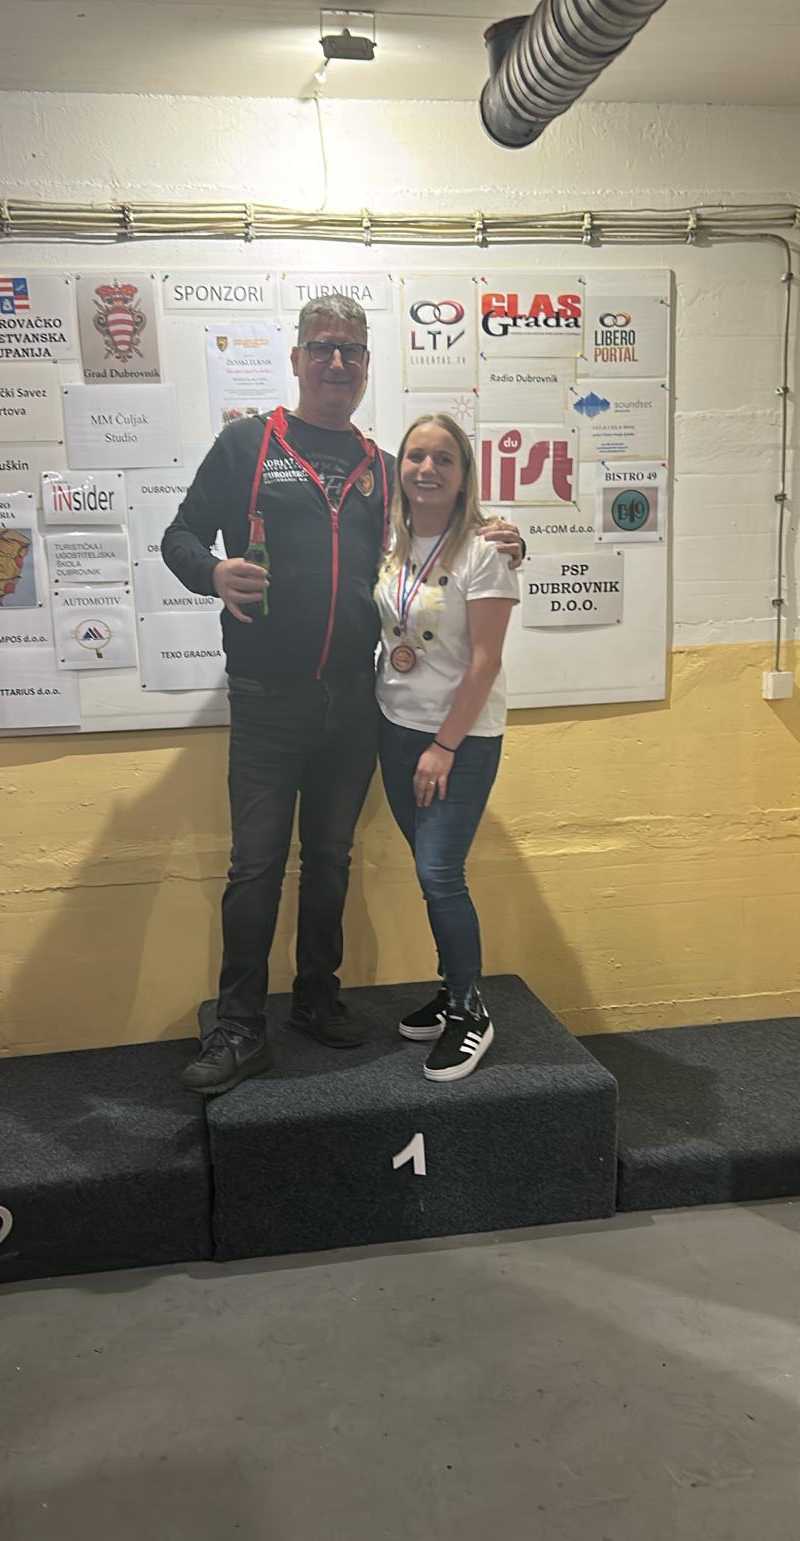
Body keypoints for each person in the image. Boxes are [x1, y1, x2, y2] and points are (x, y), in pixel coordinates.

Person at [162, 295, 523, 1096]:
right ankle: (239, 1027)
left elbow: (442, 533)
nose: (336, 363)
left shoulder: (382, 470)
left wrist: (506, 535)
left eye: (351, 351)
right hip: (266, 698)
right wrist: (211, 573)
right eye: (322, 348)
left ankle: (316, 996)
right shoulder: (246, 444)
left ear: (365, 366)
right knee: (256, 865)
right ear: (296, 359)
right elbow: (177, 536)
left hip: (357, 700)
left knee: (330, 858)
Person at [375, 413, 520, 1082]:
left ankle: (470, 1011)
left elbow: (485, 662)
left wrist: (443, 746)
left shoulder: (485, 551)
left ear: (464, 476)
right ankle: (452, 986)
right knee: (428, 874)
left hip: (457, 740)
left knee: (440, 874)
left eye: (444, 459)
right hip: (394, 727)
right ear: (399, 468)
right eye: (415, 457)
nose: (427, 469)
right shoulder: (393, 542)